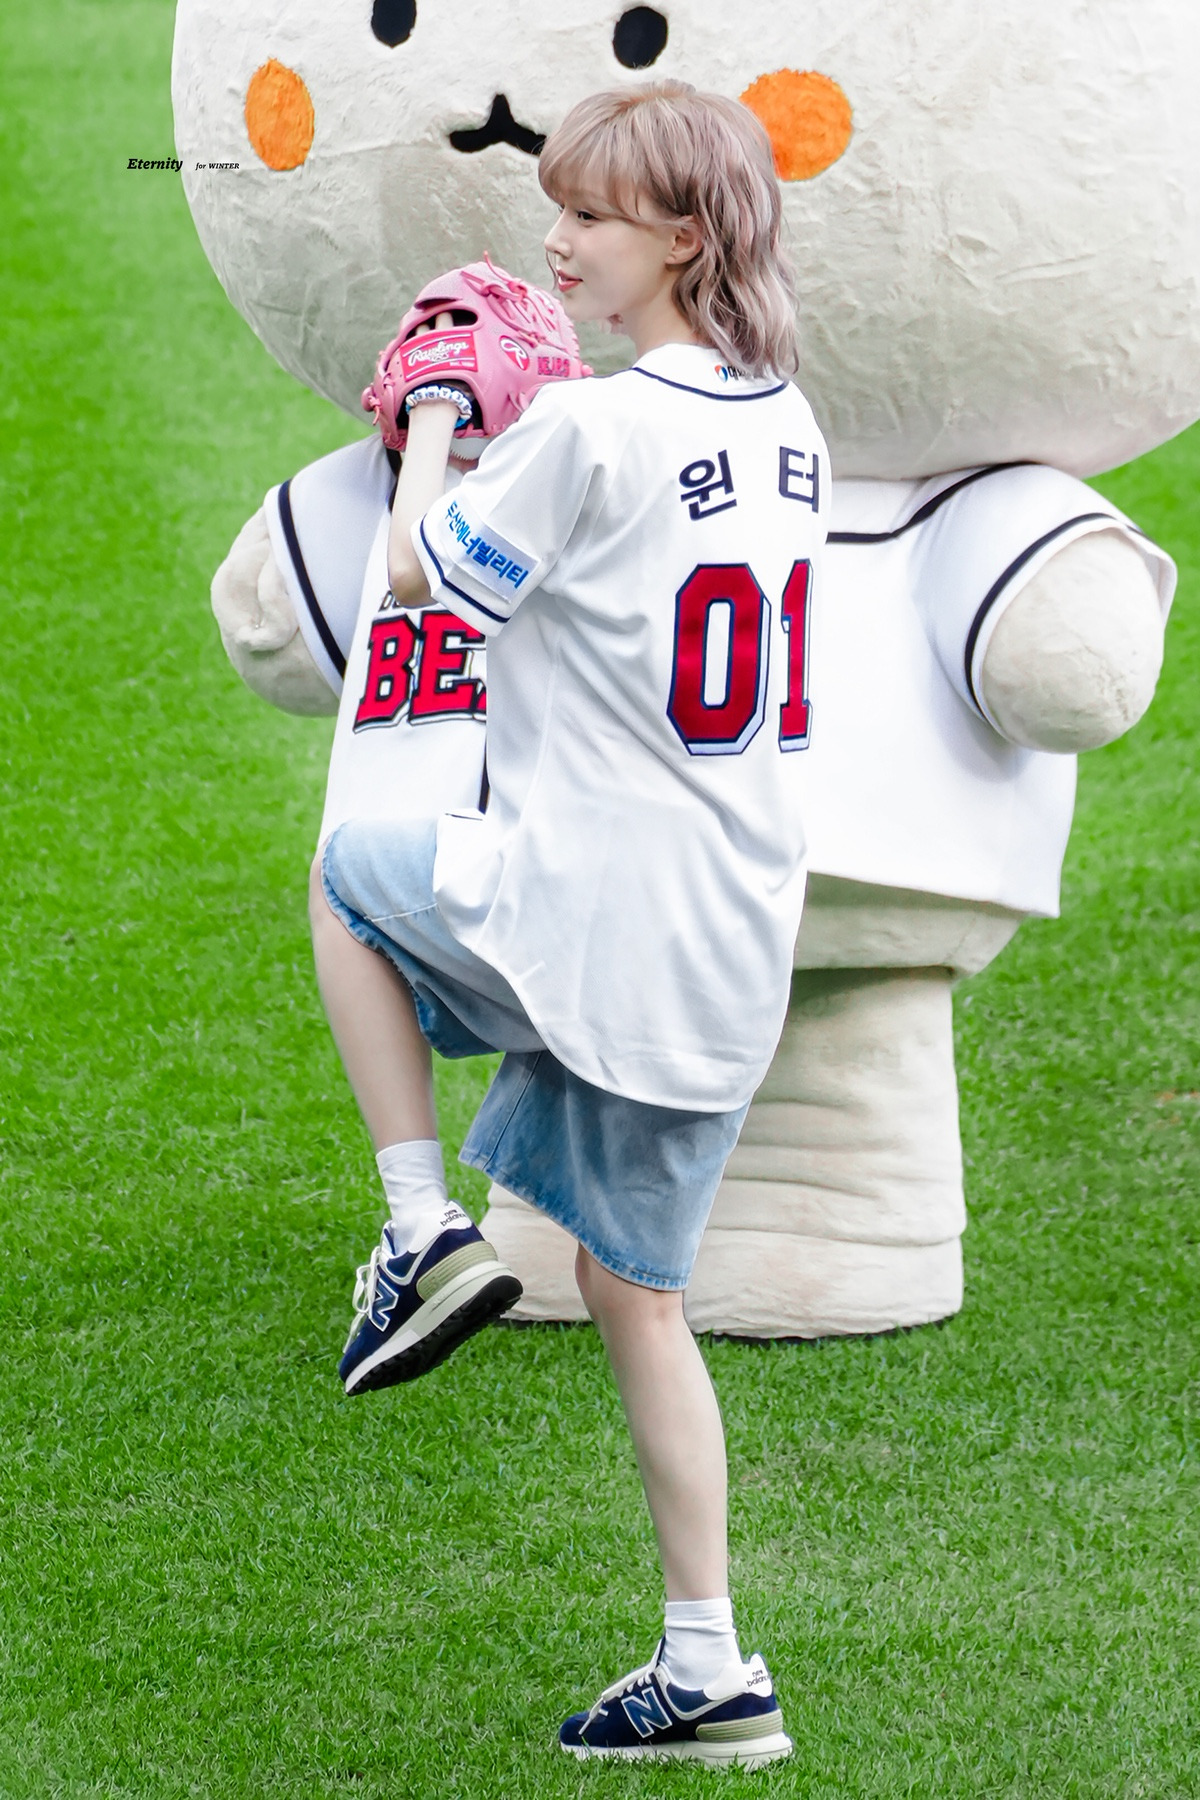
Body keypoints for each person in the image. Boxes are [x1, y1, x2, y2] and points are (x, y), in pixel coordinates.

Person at [309, 80, 827, 1767]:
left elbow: (419, 578)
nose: (557, 238)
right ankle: (713, 1665)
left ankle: (416, 1228)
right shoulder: (791, 422)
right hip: (731, 938)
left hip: (590, 914)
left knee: (349, 874)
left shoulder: (589, 433)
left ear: (681, 235)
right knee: (633, 1294)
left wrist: (438, 418)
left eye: (590, 215)